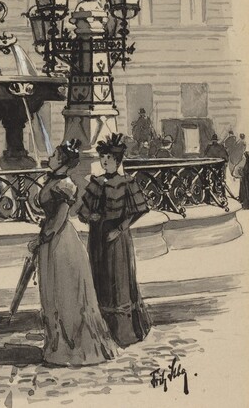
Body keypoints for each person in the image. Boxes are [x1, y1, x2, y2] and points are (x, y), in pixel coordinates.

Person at [29, 139, 117, 366]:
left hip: (61, 243)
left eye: (54, 156)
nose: (49, 159)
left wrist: (41, 238)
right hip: (52, 240)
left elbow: (59, 220)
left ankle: (73, 350)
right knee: (53, 294)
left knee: (65, 295)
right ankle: (56, 348)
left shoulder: (65, 185)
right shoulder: (54, 180)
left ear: (62, 162)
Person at [78, 133, 152, 347]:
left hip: (117, 239)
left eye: (109, 158)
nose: (104, 161)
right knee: (99, 278)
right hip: (97, 237)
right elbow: (82, 212)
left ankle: (123, 332)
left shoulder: (127, 182)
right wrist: (88, 217)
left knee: (118, 280)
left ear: (118, 161)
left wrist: (119, 229)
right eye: (103, 158)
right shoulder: (96, 182)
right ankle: (101, 330)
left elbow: (138, 211)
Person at [233, 140, 249, 209]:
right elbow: (241, 165)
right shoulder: (247, 155)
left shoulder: (247, 155)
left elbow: (241, 165)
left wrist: (236, 173)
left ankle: (248, 205)